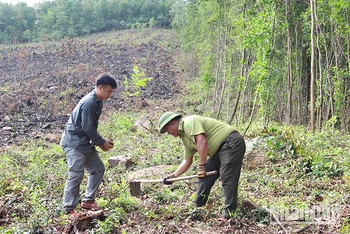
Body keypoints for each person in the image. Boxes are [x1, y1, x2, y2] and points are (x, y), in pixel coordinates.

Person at [159, 112, 246, 221]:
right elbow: (187, 160)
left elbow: (202, 142)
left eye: (167, 130)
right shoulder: (185, 137)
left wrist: (201, 166)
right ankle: (198, 207)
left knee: (227, 176)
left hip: (231, 143)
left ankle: (227, 215)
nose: (168, 133)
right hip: (217, 152)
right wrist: (174, 176)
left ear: (171, 123)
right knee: (204, 177)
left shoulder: (189, 122)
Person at [60, 73, 117, 217]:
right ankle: (68, 208)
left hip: (85, 142)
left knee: (98, 168)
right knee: (76, 174)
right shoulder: (90, 102)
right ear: (100, 87)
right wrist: (101, 142)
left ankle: (88, 200)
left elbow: (90, 127)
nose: (110, 95)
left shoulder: (98, 101)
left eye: (111, 92)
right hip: (74, 143)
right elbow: (87, 127)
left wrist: (99, 142)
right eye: (108, 91)